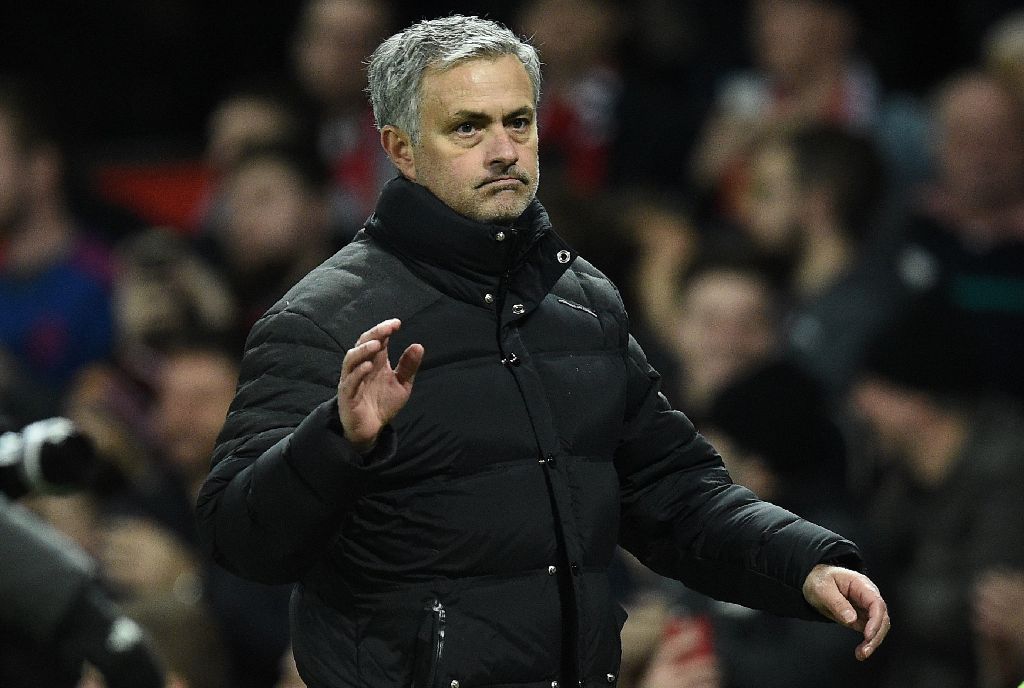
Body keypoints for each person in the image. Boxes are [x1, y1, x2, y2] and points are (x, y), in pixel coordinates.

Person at [196, 16, 890, 688]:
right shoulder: (321, 319)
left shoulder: (583, 302)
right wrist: (337, 440)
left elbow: (672, 492)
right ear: (400, 149)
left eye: (517, 121)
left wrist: (802, 563)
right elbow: (239, 537)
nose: (503, 149)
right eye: (468, 126)